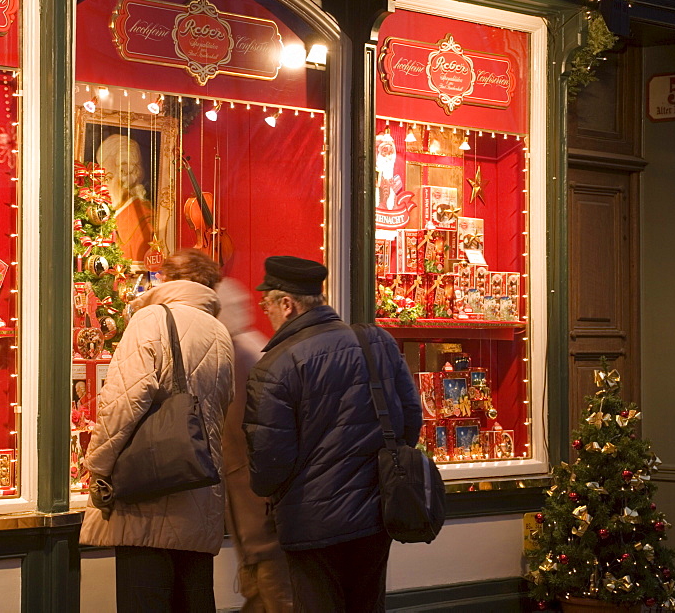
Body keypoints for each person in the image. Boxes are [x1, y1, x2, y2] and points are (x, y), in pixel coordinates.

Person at [243, 256, 422, 612]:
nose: (266, 313)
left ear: (288, 305)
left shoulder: (274, 366)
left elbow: (269, 465)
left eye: (267, 304)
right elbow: (411, 419)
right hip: (376, 514)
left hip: (310, 523)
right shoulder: (377, 341)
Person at [80, 248, 234, 612]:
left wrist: (98, 465)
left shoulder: (151, 319)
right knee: (193, 597)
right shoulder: (219, 331)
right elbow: (223, 406)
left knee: (144, 595)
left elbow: (123, 403)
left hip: (147, 490)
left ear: (166, 278)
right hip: (199, 485)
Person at [215, 277, 293, 613]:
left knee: (271, 582)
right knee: (262, 583)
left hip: (254, 494)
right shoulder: (248, 348)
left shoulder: (239, 354)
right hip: (252, 493)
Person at [97, 133, 154, 263]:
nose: (101, 185)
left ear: (125, 177)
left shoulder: (145, 221)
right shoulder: (111, 215)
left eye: (107, 178)